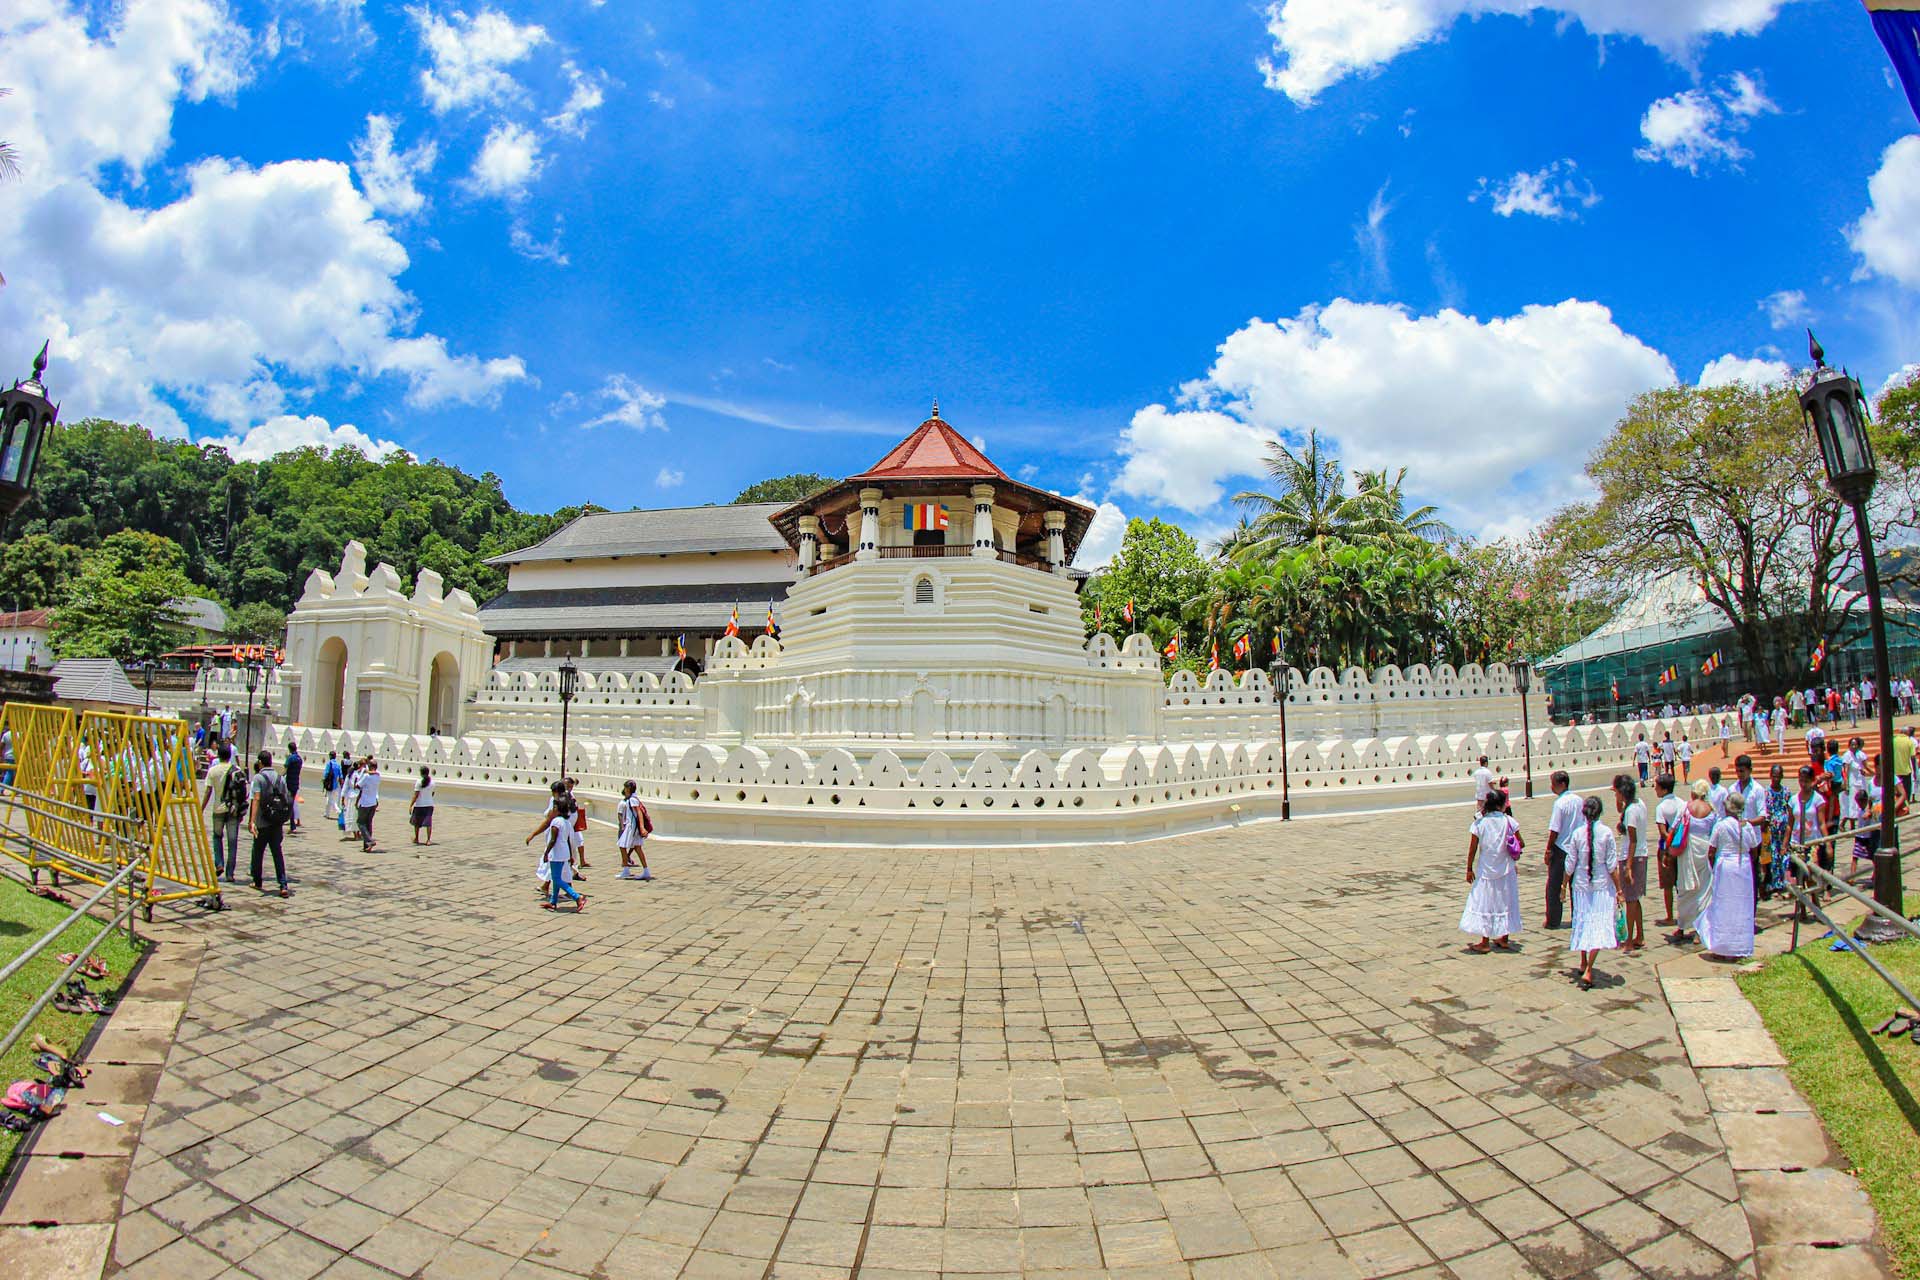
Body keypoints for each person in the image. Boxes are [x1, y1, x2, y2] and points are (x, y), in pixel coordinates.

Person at [1565, 795, 1622, 990]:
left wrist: (1564, 885)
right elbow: (1612, 865)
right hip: (1601, 886)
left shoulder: (1577, 834)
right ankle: (1589, 968)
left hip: (1581, 885)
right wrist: (1620, 889)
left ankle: (1583, 960)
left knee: (1582, 922)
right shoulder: (1606, 833)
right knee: (1598, 924)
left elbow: (1570, 864)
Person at [1699, 790, 1759, 960]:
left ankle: (1722, 947)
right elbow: (1754, 850)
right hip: (1743, 866)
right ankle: (1739, 946)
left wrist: (1714, 867)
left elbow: (1711, 851)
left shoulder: (1721, 825)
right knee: (1741, 905)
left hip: (1725, 867)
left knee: (1723, 905)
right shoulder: (1747, 826)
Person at [1461, 789, 1521, 952]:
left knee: (1486, 903)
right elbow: (1520, 843)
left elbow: (1472, 848)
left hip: (1486, 869)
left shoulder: (1480, 823)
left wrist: (1468, 868)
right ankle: (1504, 937)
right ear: (1502, 805)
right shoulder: (1509, 821)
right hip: (1506, 868)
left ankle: (1485, 941)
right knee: (1505, 901)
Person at [1668, 780, 1716, 945]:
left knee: (1685, 888)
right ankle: (1697, 930)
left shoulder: (1686, 807)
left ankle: (1681, 927)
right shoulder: (1711, 810)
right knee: (1703, 890)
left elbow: (1673, 828)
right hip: (1704, 850)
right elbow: (1714, 832)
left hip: (1687, 851)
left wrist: (1667, 850)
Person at [247, 748, 293, 897]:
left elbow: (256, 799)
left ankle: (257, 880)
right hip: (277, 821)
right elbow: (286, 797)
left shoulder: (258, 778)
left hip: (262, 821)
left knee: (258, 851)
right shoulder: (280, 778)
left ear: (260, 762)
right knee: (277, 853)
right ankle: (283, 884)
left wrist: (252, 821)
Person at [527, 793, 584, 911]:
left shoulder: (556, 822)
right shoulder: (566, 822)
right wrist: (570, 856)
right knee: (556, 877)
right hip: (564, 853)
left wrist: (547, 853)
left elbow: (553, 840)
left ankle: (577, 897)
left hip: (556, 853)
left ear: (557, 809)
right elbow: (568, 840)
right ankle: (553, 901)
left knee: (557, 879)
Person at [1614, 774, 1650, 952]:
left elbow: (1633, 840)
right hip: (1639, 855)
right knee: (1635, 899)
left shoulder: (1631, 811)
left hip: (1632, 857)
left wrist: (1628, 866)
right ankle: (1640, 935)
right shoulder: (1638, 804)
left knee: (1630, 900)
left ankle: (1628, 941)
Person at [201, 743, 243, 882]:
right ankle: (230, 873)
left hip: (218, 809)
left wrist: (201, 808)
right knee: (232, 842)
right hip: (233, 810)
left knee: (217, 837)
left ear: (218, 755)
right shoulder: (237, 770)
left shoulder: (213, 771)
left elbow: (208, 791)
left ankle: (219, 863)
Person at [1544, 771, 1580, 930]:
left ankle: (1553, 920)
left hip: (1561, 848)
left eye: (1554, 784)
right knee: (1576, 885)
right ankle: (1578, 917)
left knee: (1554, 885)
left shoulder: (1560, 804)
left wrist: (1548, 849)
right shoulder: (1580, 800)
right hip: (1578, 847)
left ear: (1562, 784)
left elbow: (1555, 830)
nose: (1551, 787)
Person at [1788, 765, 1829, 903]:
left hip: (1812, 842)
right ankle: (1802, 909)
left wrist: (1828, 843)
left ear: (1812, 780)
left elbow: (1822, 823)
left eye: (1806, 780)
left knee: (1810, 875)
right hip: (1796, 842)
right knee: (1798, 878)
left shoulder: (1818, 800)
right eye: (1801, 780)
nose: (1803, 784)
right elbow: (1790, 824)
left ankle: (1815, 903)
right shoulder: (1793, 800)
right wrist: (1784, 845)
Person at [1653, 773, 1683, 928]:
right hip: (1682, 848)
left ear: (1664, 789)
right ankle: (1684, 915)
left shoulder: (1661, 807)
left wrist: (1668, 847)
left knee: (1667, 885)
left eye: (1657, 786)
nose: (1655, 789)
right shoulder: (1682, 803)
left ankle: (1670, 915)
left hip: (1667, 849)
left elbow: (1662, 832)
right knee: (1681, 884)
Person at [1763, 763, 1793, 898]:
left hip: (1785, 831)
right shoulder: (1766, 793)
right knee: (1774, 858)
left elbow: (1789, 810)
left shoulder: (1786, 792)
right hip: (1772, 832)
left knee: (1785, 856)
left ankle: (1785, 883)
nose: (1776, 779)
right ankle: (1776, 884)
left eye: (1778, 776)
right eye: (1774, 776)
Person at [617, 779, 653, 881]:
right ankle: (645, 870)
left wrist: (641, 828)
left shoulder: (632, 799)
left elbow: (639, 813)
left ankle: (626, 869)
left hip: (632, 827)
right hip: (633, 827)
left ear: (628, 788)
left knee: (622, 845)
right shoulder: (633, 798)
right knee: (637, 848)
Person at [355, 758, 382, 852]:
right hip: (373, 803)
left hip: (365, 803)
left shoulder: (366, 776)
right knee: (368, 823)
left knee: (360, 823)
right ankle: (367, 846)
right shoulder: (378, 775)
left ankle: (370, 841)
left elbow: (357, 786)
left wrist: (362, 773)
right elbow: (376, 773)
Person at [410, 767, 435, 845]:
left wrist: (411, 805)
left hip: (419, 804)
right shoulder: (433, 782)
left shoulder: (418, 782)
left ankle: (416, 838)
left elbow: (416, 795)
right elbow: (432, 793)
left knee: (417, 822)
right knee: (428, 823)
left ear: (421, 773)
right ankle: (428, 840)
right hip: (429, 804)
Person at [283, 741, 303, 832]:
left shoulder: (290, 758)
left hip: (289, 782)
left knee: (289, 803)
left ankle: (291, 824)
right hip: (296, 782)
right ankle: (292, 823)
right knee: (291, 803)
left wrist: (280, 777)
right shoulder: (299, 759)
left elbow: (285, 769)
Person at [322, 751, 342, 821]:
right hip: (335, 784)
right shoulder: (338, 765)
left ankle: (338, 811)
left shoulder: (329, 764)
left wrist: (323, 780)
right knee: (329, 798)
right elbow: (340, 775)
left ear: (330, 756)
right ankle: (327, 813)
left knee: (331, 799)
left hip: (329, 784)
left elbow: (326, 773)